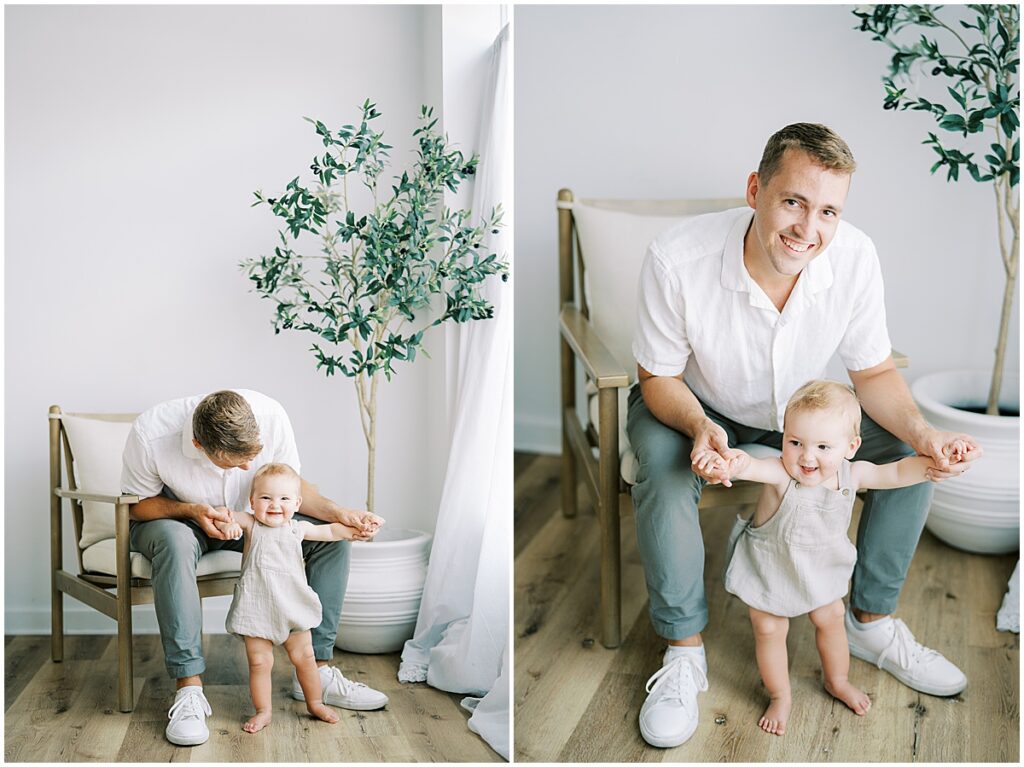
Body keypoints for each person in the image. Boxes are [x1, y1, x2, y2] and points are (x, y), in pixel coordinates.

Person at [627, 123, 981, 749]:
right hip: (694, 402)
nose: (807, 228)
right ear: (756, 187)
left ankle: (870, 622)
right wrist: (700, 427)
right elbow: (658, 376)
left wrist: (925, 431)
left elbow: (872, 372)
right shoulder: (674, 257)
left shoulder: (855, 257)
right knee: (661, 464)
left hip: (805, 421)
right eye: (793, 201)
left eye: (827, 211)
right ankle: (683, 653)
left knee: (904, 451)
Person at [694, 380, 973, 735]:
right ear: (784, 438)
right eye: (795, 442)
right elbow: (750, 465)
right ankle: (780, 695)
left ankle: (837, 679)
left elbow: (899, 471)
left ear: (851, 446)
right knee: (769, 628)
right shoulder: (780, 472)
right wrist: (728, 462)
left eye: (824, 446)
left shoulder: (852, 474)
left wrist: (938, 462)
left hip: (821, 569)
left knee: (831, 619)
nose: (807, 457)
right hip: (770, 568)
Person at [121, 389, 387, 746]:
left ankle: (316, 669)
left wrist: (338, 514)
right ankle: (189, 689)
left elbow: (291, 487)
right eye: (235, 463)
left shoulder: (271, 416)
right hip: (177, 521)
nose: (248, 470)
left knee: (330, 541)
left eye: (252, 458)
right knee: (175, 541)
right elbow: (136, 506)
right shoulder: (151, 433)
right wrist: (193, 511)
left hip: (253, 521)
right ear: (199, 444)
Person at [215, 462, 382, 733]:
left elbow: (329, 532)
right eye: (266, 498)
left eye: (283, 499)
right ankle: (263, 710)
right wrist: (228, 524)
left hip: (292, 607)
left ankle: (315, 702)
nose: (274, 505)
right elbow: (227, 516)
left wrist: (357, 530)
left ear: (297, 503)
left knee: (306, 657)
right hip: (257, 609)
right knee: (259, 662)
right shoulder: (251, 525)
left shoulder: (298, 528)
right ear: (252, 501)